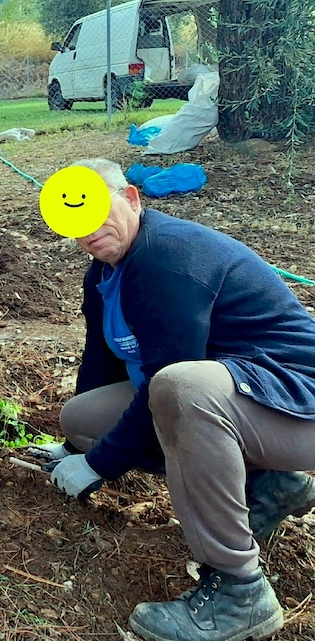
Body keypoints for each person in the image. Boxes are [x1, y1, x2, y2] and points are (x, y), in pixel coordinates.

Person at [30, 158, 315, 641]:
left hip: (296, 402)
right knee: (81, 419)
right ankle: (271, 485)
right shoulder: (104, 273)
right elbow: (100, 360)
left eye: (99, 208)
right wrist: (79, 450)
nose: (90, 228)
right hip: (247, 397)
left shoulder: (166, 257)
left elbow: (170, 384)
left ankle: (238, 591)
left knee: (180, 391)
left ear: (132, 199)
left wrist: (100, 466)